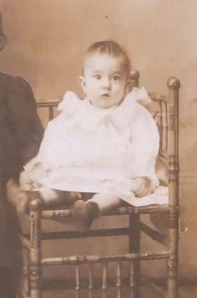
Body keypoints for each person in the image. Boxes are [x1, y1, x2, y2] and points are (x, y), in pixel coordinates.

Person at [13, 40, 166, 231]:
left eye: (115, 78)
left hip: (115, 175)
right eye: (98, 77)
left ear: (127, 85)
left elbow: (146, 144)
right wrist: (41, 166)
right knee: (60, 185)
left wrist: (144, 176)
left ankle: (91, 209)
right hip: (78, 173)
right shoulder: (76, 111)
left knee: (118, 191)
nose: (106, 85)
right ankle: (38, 197)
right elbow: (56, 138)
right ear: (84, 84)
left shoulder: (132, 112)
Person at [0, 14, 44, 298]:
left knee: (3, 237)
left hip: (3, 178)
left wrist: (29, 169)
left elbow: (31, 138)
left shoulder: (9, 89)